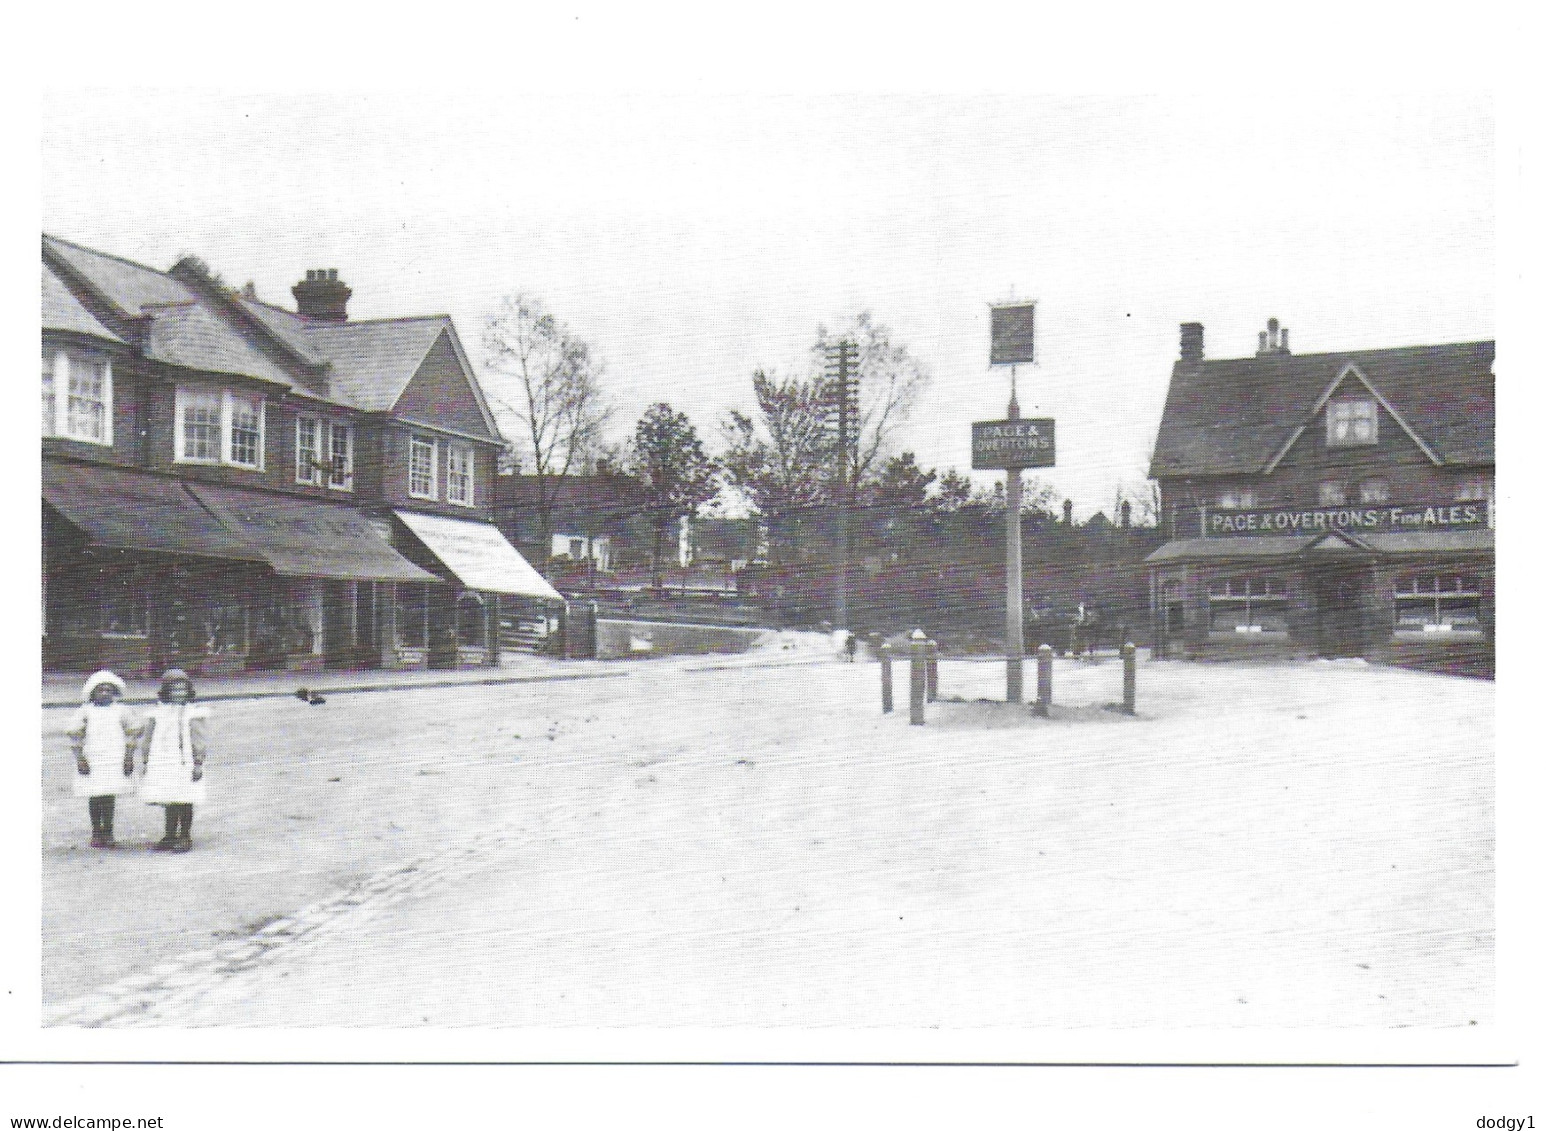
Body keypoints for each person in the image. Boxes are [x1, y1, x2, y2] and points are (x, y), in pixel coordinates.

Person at [137, 668, 211, 852]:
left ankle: (185, 835)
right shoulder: (156, 713)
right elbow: (148, 738)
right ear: (166, 691)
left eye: (182, 689)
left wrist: (198, 763)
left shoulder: (193, 714)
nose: (179, 693)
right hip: (163, 760)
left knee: (185, 798)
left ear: (188, 691)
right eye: (174, 690)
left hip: (185, 761)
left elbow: (199, 739)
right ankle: (170, 835)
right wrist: (146, 761)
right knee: (169, 798)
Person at [64, 670, 140, 848]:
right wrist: (80, 759)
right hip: (93, 757)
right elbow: (76, 737)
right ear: (92, 693)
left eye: (108, 690)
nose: (105, 693)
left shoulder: (122, 711)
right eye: (100, 690)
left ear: (115, 692)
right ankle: (96, 831)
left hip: (114, 757)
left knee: (109, 795)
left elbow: (132, 734)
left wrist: (128, 758)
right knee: (95, 795)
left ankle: (108, 831)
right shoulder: (86, 712)